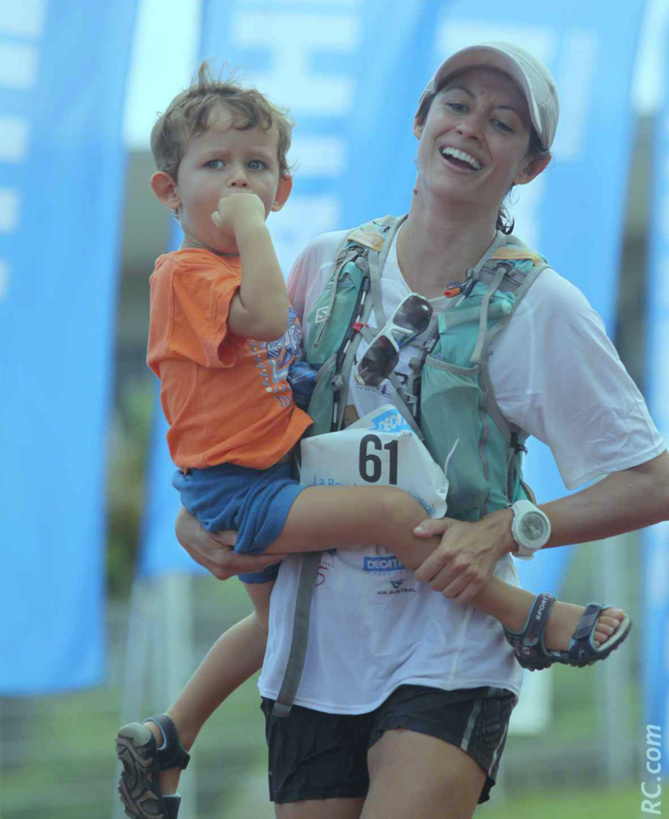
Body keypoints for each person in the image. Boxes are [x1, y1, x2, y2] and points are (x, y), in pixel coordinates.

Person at [172, 42, 669, 819]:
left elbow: (654, 480)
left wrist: (511, 528)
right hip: (312, 653)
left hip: (452, 648)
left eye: (502, 123)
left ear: (528, 167)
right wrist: (199, 507)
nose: (471, 129)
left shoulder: (541, 306)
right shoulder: (322, 264)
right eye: (457, 105)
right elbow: (244, 416)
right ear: (421, 120)